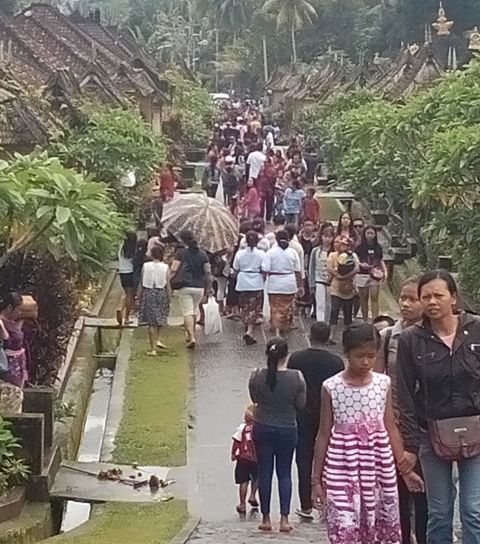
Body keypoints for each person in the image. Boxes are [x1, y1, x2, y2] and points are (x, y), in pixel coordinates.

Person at [312, 323, 423, 544]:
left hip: (378, 465)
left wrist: (404, 468)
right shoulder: (331, 387)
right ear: (346, 353)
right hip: (342, 465)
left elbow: (390, 426)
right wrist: (316, 479)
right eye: (359, 356)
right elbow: (323, 433)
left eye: (371, 356)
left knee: (378, 527)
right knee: (344, 526)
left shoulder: (383, 384)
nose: (365, 362)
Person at [397, 270, 480, 544]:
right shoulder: (411, 339)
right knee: (439, 512)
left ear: (453, 298)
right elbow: (406, 394)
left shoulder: (476, 330)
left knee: (473, 510)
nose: (432, 301)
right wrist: (409, 443)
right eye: (426, 296)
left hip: (476, 432)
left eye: (438, 295)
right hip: (430, 433)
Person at [375, 277, 427, 544]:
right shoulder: (387, 338)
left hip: (428, 427)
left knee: (428, 494)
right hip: (394, 427)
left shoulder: (433, 338)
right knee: (398, 493)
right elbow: (376, 382)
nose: (405, 304)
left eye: (413, 299)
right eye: (403, 298)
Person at [249, 337, 306, 532]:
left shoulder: (256, 375)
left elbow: (254, 398)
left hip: (262, 425)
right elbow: (301, 405)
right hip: (287, 428)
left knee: (264, 471)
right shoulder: (297, 377)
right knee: (284, 473)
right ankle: (284, 519)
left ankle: (265, 518)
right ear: (286, 355)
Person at [288, 322, 343, 519]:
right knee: (328, 458)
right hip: (328, 415)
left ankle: (305, 503)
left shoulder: (296, 358)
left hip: (302, 413)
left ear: (310, 335)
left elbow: (292, 384)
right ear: (328, 337)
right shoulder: (336, 362)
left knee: (303, 458)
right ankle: (326, 500)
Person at [170, 230, 212, 350]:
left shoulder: (181, 253)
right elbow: (208, 272)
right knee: (193, 310)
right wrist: (208, 288)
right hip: (199, 287)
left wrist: (167, 280)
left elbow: (174, 269)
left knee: (187, 312)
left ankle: (191, 337)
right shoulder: (203, 254)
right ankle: (190, 335)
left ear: (182, 240)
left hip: (185, 285)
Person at [262, 230, 302, 337]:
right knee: (287, 307)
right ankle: (284, 326)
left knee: (275, 308)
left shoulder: (271, 252)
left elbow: (265, 269)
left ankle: (276, 329)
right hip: (289, 283)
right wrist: (300, 286)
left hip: (274, 284)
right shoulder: (293, 252)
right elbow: (298, 270)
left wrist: (263, 282)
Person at [137, 246, 171, 355]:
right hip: (161, 293)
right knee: (160, 318)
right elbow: (168, 284)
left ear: (152, 255)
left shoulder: (146, 266)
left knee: (151, 322)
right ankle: (157, 340)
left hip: (148, 293)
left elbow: (141, 283)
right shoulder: (165, 267)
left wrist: (138, 297)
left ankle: (153, 349)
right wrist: (169, 297)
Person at [233, 231, 265, 345]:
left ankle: (246, 323)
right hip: (256, 280)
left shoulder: (239, 254)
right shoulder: (261, 254)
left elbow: (235, 268)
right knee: (255, 306)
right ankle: (250, 329)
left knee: (244, 305)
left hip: (243, 281)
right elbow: (264, 268)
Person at [327, 236, 360, 342]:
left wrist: (346, 276)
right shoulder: (333, 255)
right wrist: (337, 275)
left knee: (348, 313)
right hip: (336, 287)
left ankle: (347, 337)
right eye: (341, 244)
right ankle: (331, 335)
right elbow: (329, 268)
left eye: (346, 245)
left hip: (348, 288)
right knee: (334, 310)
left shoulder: (353, 256)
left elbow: (357, 268)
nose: (343, 247)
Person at [231, 403, 259, 514]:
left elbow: (236, 441)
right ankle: (253, 495)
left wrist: (233, 453)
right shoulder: (259, 427)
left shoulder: (242, 427)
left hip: (243, 458)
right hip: (255, 458)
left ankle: (242, 504)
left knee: (243, 481)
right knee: (256, 478)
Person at [356, 226, 388, 321]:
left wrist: (385, 271)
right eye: (368, 233)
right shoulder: (360, 247)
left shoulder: (378, 247)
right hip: (362, 273)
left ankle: (375, 319)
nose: (370, 236)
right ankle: (365, 319)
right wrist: (361, 264)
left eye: (372, 233)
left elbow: (380, 260)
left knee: (374, 296)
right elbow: (355, 259)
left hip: (375, 274)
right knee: (363, 297)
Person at [0, 293, 28, 390]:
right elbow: (7, 344)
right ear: (9, 307)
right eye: (18, 309)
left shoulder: (13, 321)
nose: (19, 313)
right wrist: (2, 328)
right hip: (9, 366)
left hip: (18, 364)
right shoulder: (1, 322)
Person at [309, 222, 334, 323]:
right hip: (319, 280)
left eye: (330, 237)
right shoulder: (315, 251)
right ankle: (320, 323)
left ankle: (327, 323)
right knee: (320, 303)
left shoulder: (334, 252)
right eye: (325, 236)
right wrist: (312, 284)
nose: (327, 239)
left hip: (331, 282)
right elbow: (312, 267)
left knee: (329, 305)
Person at [117, 231, 137, 326]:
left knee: (126, 293)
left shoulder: (122, 248)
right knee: (130, 295)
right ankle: (126, 317)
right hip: (130, 273)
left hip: (122, 273)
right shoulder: (132, 250)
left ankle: (120, 308)